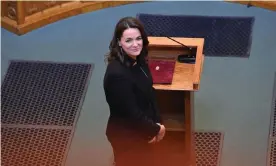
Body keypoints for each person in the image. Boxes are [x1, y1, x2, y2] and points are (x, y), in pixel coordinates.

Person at [103, 17, 166, 166]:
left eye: (138, 38)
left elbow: (150, 93)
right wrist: (155, 130)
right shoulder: (117, 75)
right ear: (119, 42)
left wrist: (157, 124)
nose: (135, 44)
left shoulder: (139, 60)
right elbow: (131, 113)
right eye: (129, 40)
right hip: (127, 138)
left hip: (144, 130)